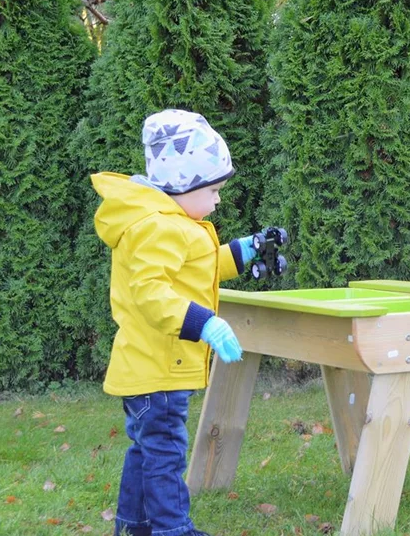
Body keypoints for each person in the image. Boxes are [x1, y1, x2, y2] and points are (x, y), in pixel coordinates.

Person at [92, 109, 259, 536]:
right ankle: (172, 529)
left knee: (147, 451)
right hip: (157, 368)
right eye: (214, 190)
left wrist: (247, 248)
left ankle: (135, 526)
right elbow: (150, 293)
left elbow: (198, 269)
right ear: (184, 185)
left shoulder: (173, 222)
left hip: (153, 365)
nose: (218, 199)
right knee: (164, 452)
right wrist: (205, 323)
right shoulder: (158, 228)